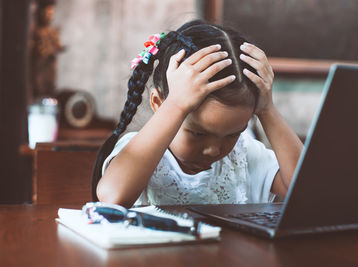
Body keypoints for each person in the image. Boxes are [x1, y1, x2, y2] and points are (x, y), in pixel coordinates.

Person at [92, 20, 303, 208]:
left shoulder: (246, 156)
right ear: (158, 103)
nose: (213, 150)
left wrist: (268, 110)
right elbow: (113, 196)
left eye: (232, 134)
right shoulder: (140, 150)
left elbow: (306, 193)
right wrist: (175, 105)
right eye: (198, 134)